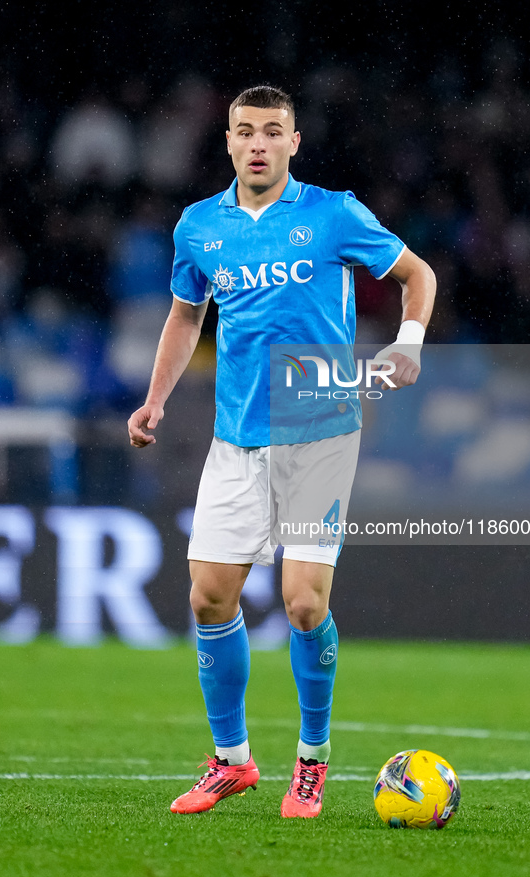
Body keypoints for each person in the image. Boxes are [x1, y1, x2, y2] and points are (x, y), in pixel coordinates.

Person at [127, 85, 436, 818]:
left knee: (301, 605)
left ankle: (312, 761)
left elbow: (416, 274)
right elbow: (183, 315)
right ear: (228, 143)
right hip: (236, 441)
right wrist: (156, 399)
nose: (258, 142)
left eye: (273, 131)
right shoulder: (200, 227)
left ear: (293, 143)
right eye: (245, 131)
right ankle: (231, 761)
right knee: (208, 596)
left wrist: (409, 343)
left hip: (320, 430)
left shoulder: (332, 214)